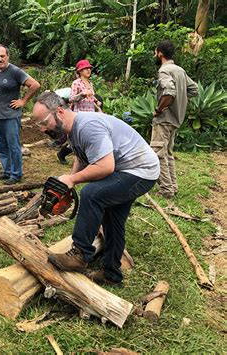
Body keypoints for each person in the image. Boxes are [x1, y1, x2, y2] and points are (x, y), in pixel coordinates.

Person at [33, 91, 159, 286]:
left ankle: (80, 254)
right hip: (129, 170)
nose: (42, 129)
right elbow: (81, 157)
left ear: (59, 111)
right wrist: (67, 182)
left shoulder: (88, 126)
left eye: (43, 122)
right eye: (38, 124)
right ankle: (112, 273)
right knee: (113, 219)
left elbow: (105, 166)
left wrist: (73, 180)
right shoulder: (73, 130)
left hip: (140, 171)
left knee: (91, 194)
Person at [151, 40, 198, 198]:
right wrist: (180, 101)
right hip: (176, 119)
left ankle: (166, 190)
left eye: (155, 52)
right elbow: (194, 89)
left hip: (164, 119)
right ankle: (173, 186)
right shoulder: (180, 70)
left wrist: (159, 109)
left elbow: (170, 91)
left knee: (158, 153)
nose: (154, 55)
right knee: (168, 154)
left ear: (160, 54)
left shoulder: (164, 70)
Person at [0, 45, 40, 185]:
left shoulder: (15, 71)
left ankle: (16, 174)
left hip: (10, 116)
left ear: (7, 56)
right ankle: (7, 171)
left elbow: (35, 85)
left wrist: (23, 101)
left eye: (2, 56)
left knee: (13, 146)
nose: (0, 59)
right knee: (1, 147)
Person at [56, 60, 102, 165]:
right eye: (85, 68)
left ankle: (85, 159)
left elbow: (91, 97)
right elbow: (71, 99)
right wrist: (82, 94)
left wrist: (96, 103)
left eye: (89, 68)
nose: (88, 70)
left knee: (86, 137)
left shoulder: (90, 83)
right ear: (80, 71)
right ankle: (63, 154)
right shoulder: (76, 83)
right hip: (79, 114)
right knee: (78, 139)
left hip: (90, 114)